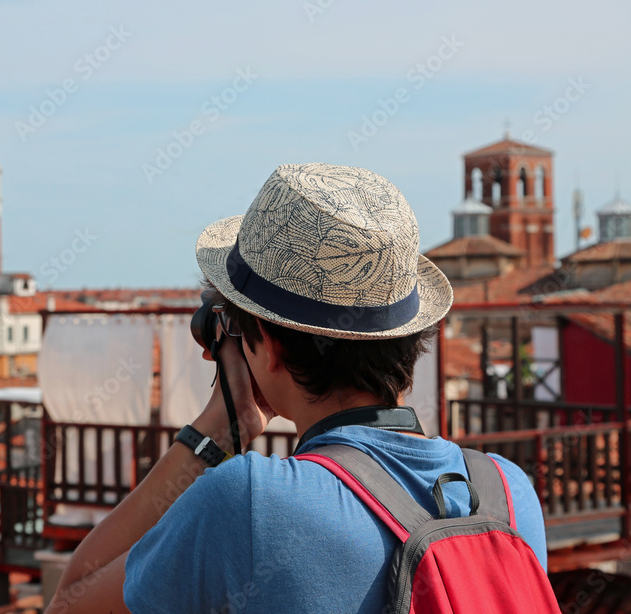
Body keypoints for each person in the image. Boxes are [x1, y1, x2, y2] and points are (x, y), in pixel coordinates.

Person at [44, 163, 547, 614]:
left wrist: (214, 432)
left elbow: (69, 603)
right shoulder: (506, 494)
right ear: (409, 339)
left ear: (270, 345)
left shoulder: (248, 503)